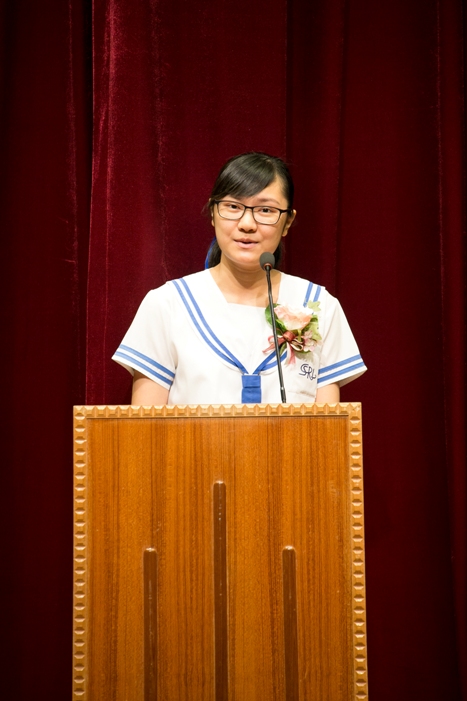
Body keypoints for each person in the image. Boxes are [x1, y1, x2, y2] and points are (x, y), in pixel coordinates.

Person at [113, 152, 366, 405]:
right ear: (213, 213)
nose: (247, 224)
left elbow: (328, 424)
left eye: (265, 210)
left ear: (288, 221)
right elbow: (146, 423)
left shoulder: (318, 306)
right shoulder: (167, 304)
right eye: (233, 207)